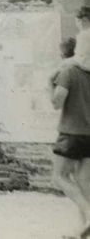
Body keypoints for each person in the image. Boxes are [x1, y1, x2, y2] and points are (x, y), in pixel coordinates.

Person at [52, 28, 90, 238]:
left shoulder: (68, 72)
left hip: (70, 133)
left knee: (59, 177)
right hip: (89, 134)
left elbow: (57, 102)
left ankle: (89, 213)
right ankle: (83, 230)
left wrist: (48, 85)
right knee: (84, 183)